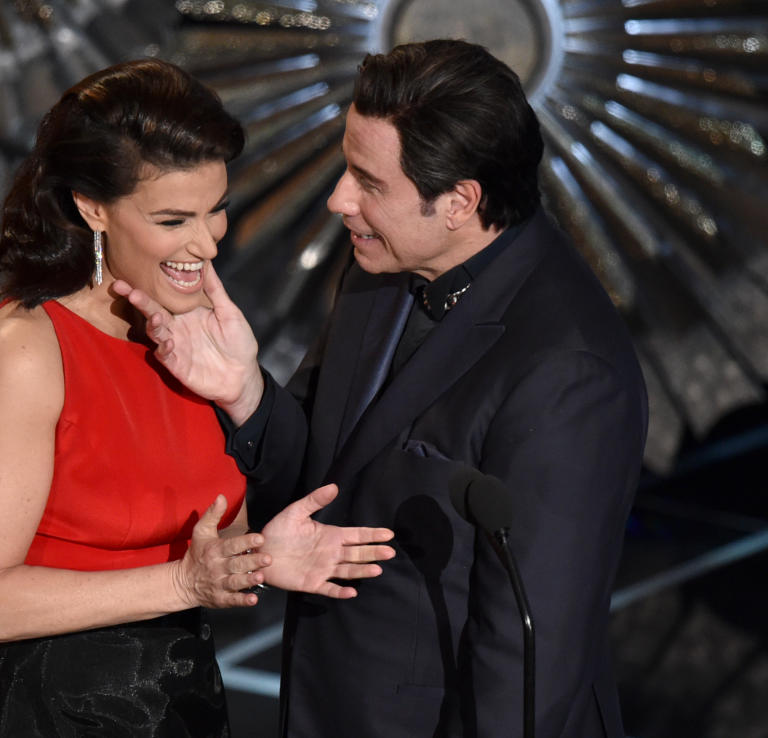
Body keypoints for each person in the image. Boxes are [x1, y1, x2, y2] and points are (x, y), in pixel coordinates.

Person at [118, 40, 649, 737]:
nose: (340, 199)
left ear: (459, 202)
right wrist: (246, 393)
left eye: (368, 182)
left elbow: (529, 656)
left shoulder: (568, 370)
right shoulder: (381, 267)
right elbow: (323, 476)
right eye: (346, 167)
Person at [0, 58, 395, 737]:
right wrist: (182, 587)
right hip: (51, 713)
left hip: (182, 703)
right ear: (92, 208)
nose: (205, 245)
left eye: (217, 211)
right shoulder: (26, 352)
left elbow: (208, 543)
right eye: (173, 219)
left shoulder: (195, 338)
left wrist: (258, 548)